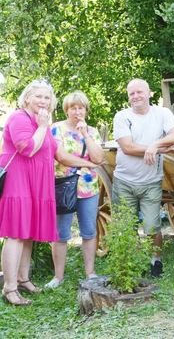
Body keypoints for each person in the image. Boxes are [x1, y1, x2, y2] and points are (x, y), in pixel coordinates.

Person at [0, 80, 97, 306]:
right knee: (15, 234)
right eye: (38, 97)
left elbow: (59, 154)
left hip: (35, 186)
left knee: (27, 234)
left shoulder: (38, 122)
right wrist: (43, 126)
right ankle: (10, 287)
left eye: (47, 97)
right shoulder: (19, 119)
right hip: (18, 184)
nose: (43, 101)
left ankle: (23, 279)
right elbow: (27, 148)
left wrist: (90, 164)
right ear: (27, 99)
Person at [112, 78, 174, 278]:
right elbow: (128, 148)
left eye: (139, 92)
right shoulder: (122, 116)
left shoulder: (162, 113)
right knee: (127, 225)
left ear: (149, 93)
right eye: (131, 94)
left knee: (152, 225)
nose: (135, 96)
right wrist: (160, 148)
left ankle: (155, 261)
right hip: (125, 180)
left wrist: (155, 146)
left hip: (151, 181)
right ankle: (134, 262)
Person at [44, 91, 105, 289]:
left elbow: (98, 158)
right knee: (61, 233)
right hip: (64, 186)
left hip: (88, 188)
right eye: (73, 108)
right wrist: (86, 164)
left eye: (80, 107)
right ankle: (58, 276)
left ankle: (90, 273)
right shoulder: (56, 129)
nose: (77, 112)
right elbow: (62, 157)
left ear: (86, 110)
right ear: (66, 110)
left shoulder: (93, 132)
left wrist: (85, 134)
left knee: (89, 231)